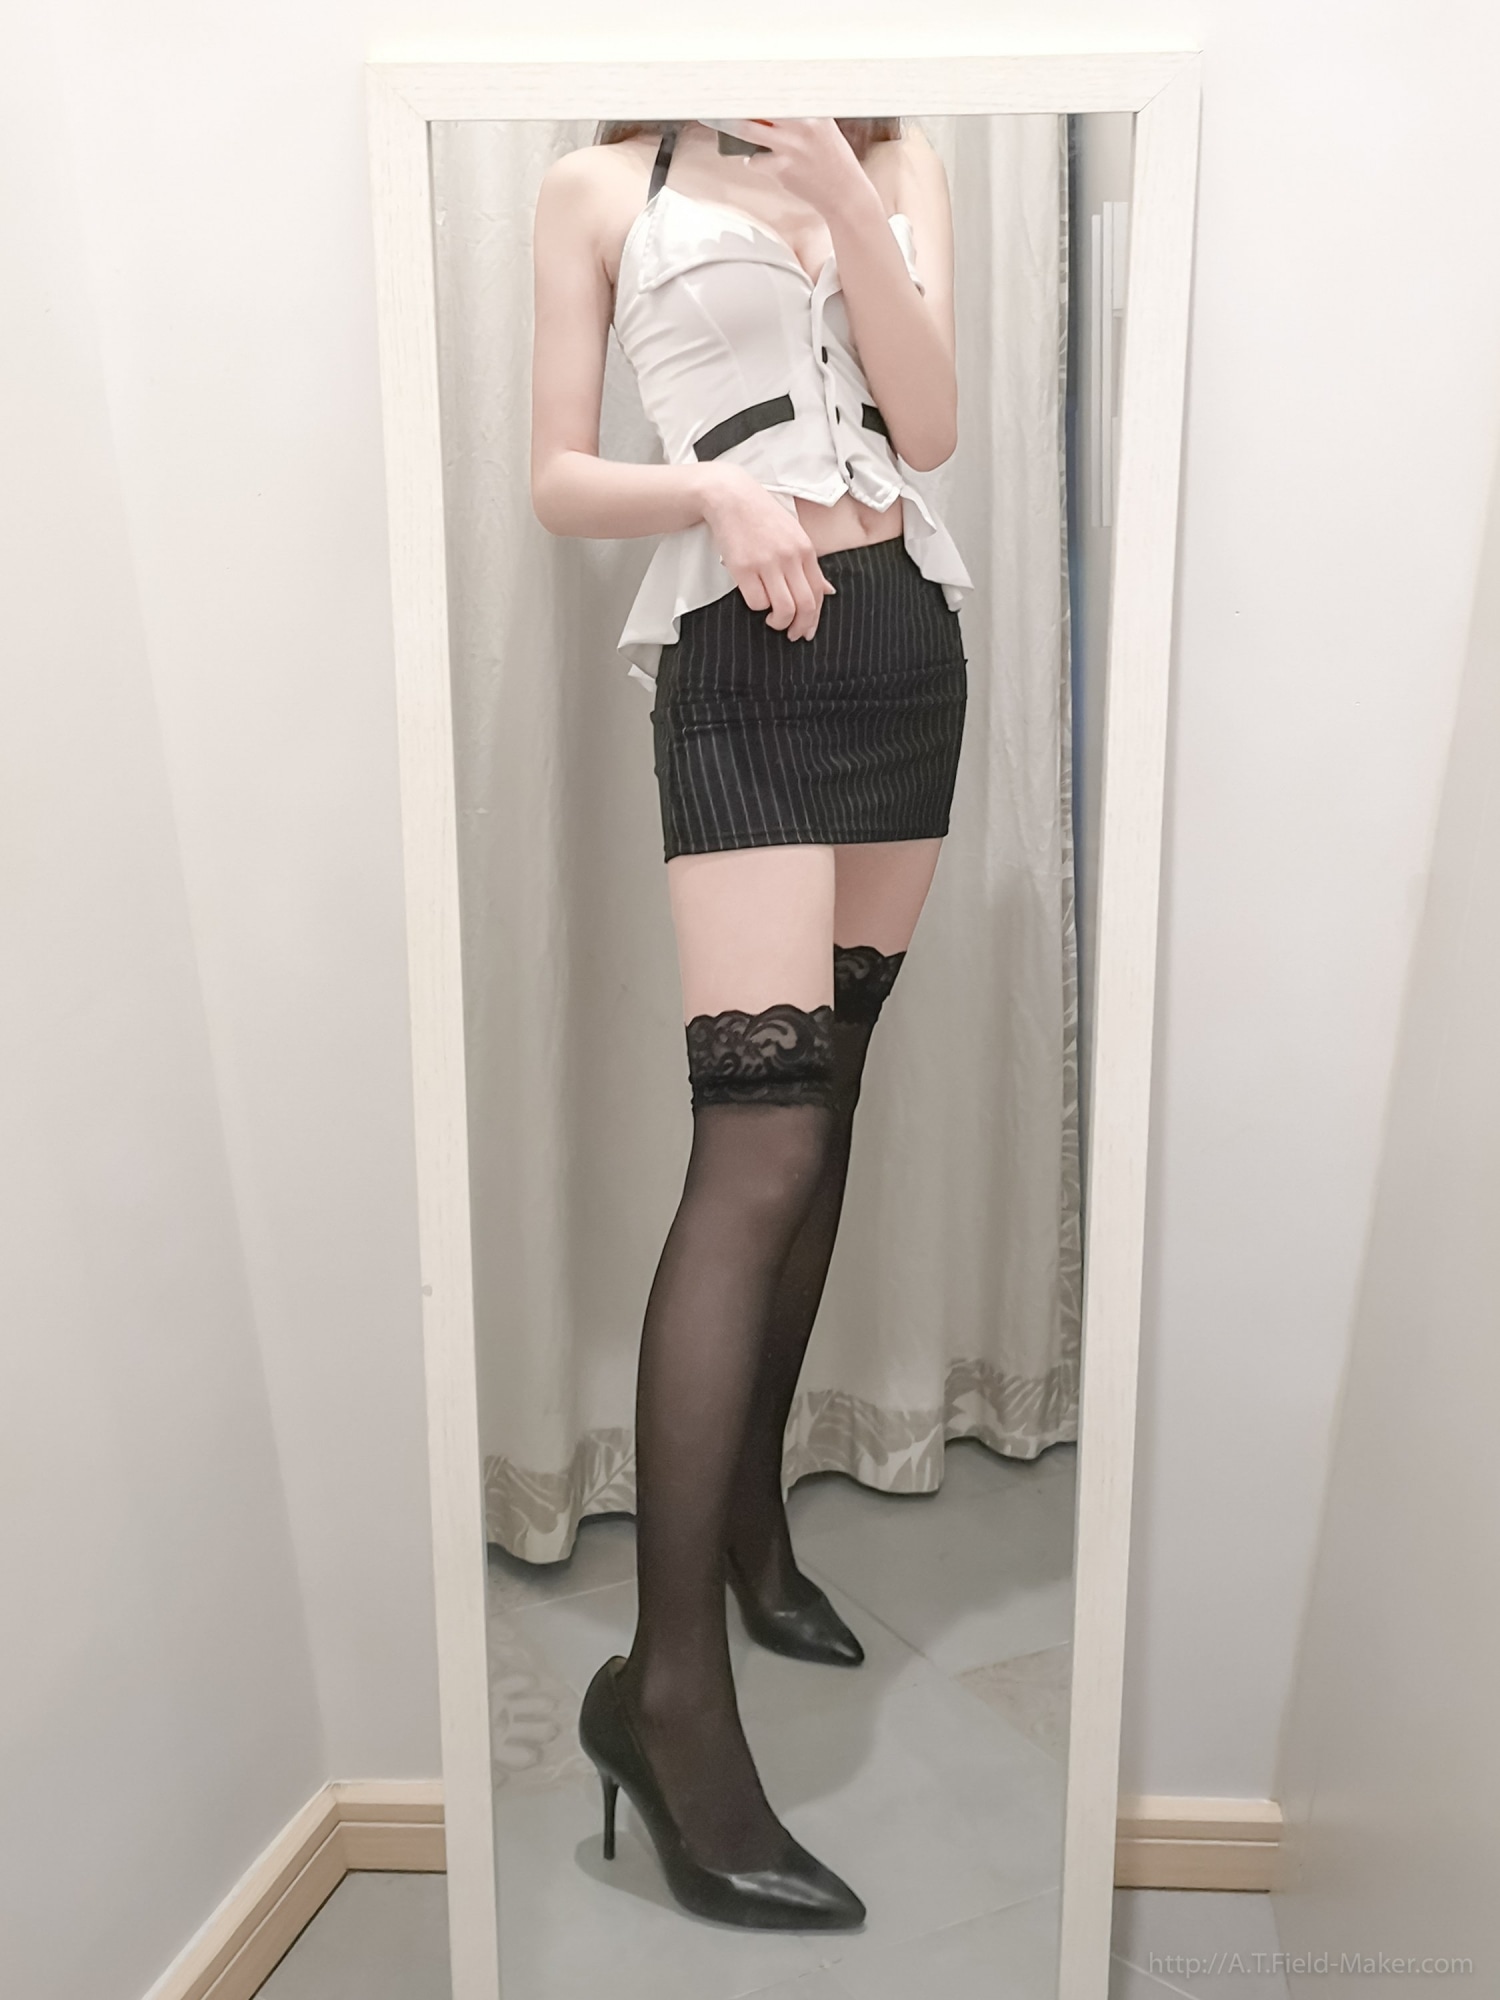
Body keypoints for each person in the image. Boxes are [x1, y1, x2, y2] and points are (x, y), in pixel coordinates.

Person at [529, 114, 972, 1931]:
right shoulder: (604, 186)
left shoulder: (900, 158)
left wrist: (848, 185)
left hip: (903, 638)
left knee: (831, 1103)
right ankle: (666, 1694)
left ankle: (756, 1530)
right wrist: (708, 493)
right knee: (759, 1144)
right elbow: (557, 477)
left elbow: (930, 427)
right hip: (739, 659)